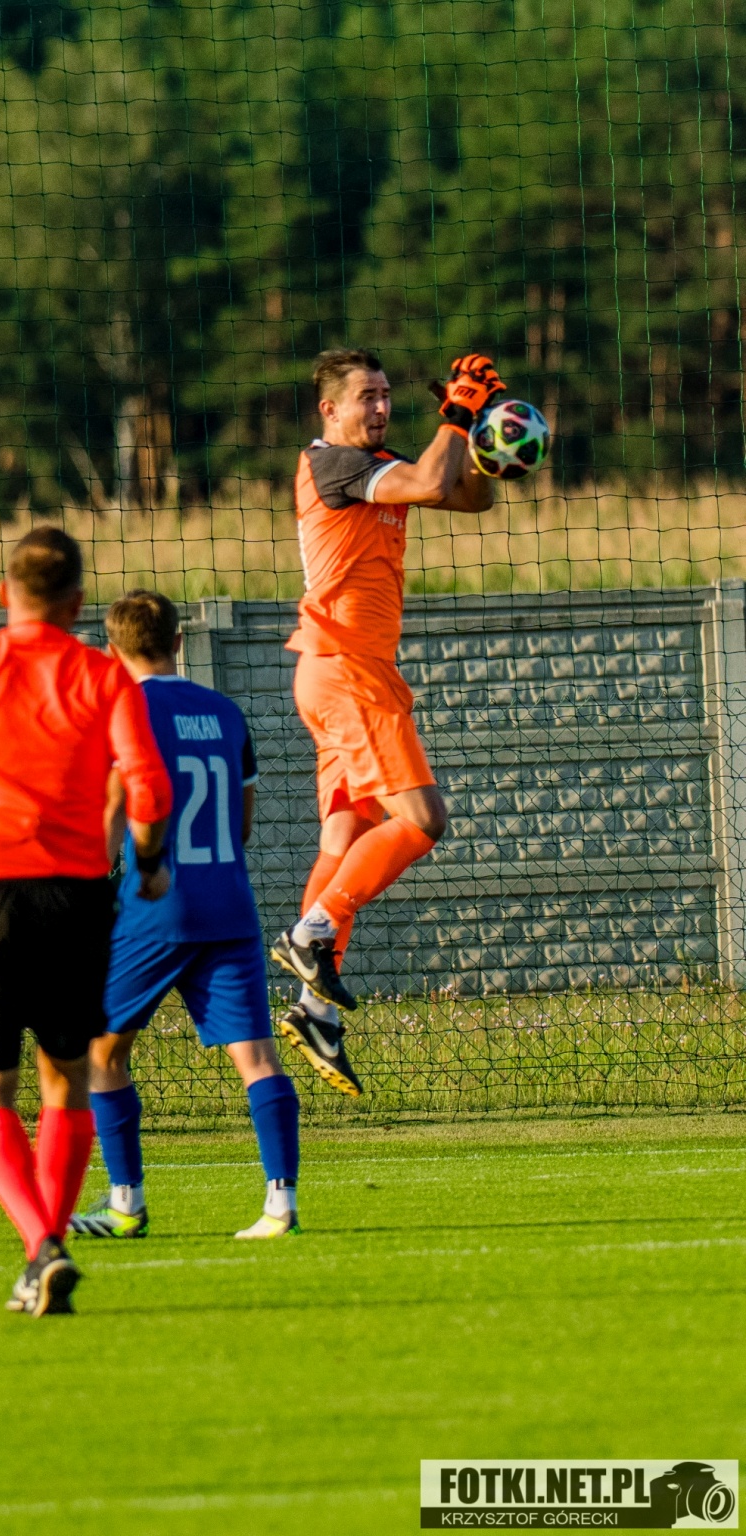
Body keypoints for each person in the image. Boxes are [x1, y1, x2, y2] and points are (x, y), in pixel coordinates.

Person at [0, 530, 172, 1316]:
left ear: (3, 595)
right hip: (74, 899)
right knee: (66, 1079)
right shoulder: (103, 676)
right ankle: (47, 1247)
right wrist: (150, 861)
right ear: (78, 604)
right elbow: (148, 787)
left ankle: (41, 1244)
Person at [271, 349, 501, 1096]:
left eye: (386, 394)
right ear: (329, 410)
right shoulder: (334, 464)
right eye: (366, 396)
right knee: (424, 820)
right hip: (347, 671)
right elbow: (432, 481)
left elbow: (468, 496)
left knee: (345, 841)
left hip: (340, 670)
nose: (380, 406)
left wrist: (485, 434)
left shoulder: (377, 463)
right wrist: (457, 413)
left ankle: (314, 1011)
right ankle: (311, 933)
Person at [70, 589, 301, 1242]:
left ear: (111, 651)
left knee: (101, 1053)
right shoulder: (226, 713)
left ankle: (126, 1205)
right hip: (229, 905)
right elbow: (243, 826)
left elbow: (111, 817)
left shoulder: (119, 712)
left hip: (154, 906)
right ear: (178, 641)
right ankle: (280, 1204)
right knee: (257, 1057)